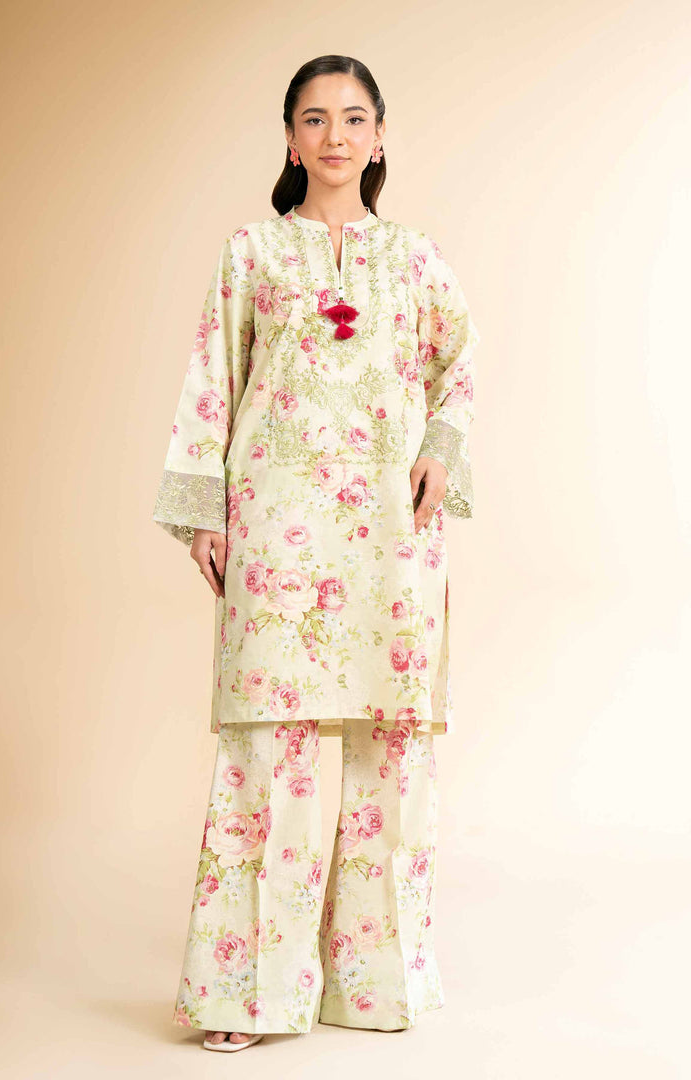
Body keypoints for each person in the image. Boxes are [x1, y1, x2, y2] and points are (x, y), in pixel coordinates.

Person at [152, 54, 480, 1053]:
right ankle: (244, 996)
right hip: (277, 529)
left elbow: (459, 370)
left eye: (353, 117)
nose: (335, 135)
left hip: (391, 533)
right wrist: (206, 511)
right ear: (291, 140)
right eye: (314, 118)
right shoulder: (251, 253)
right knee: (267, 755)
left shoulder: (416, 259)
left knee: (393, 753)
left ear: (379, 138)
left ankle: (375, 987)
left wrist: (441, 449)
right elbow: (213, 381)